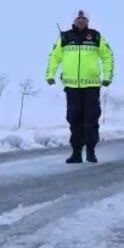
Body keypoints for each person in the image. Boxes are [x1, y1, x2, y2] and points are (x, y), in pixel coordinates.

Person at [46, 9, 114, 163]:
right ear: (74, 21)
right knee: (74, 120)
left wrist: (107, 76)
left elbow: (107, 56)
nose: (81, 21)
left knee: (91, 119)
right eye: (78, 18)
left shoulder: (96, 36)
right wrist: (50, 74)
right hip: (72, 87)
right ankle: (76, 152)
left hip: (91, 87)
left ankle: (91, 151)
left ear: (88, 21)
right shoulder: (65, 37)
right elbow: (54, 57)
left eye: (84, 18)